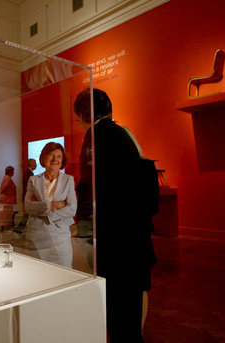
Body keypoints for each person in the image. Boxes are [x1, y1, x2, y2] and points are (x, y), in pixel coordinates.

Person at [74, 88, 151, 342]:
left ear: (85, 113)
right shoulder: (124, 133)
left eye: (78, 114)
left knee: (117, 316)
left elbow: (88, 187)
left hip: (114, 240)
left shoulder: (94, 136)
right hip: (135, 236)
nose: (77, 120)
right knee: (131, 315)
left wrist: (84, 230)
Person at [24, 142, 77, 268]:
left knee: (63, 271)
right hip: (36, 233)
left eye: (59, 156)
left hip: (60, 235)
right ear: (43, 158)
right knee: (37, 272)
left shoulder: (69, 180)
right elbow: (28, 206)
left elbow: (72, 210)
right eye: (51, 155)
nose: (55, 159)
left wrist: (41, 209)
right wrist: (51, 205)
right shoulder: (33, 180)